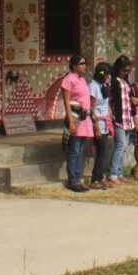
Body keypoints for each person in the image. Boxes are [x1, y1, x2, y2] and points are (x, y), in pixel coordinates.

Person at [61, 54, 93, 192]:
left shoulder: (83, 80)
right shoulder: (68, 80)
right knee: (74, 150)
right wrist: (71, 122)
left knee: (80, 150)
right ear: (74, 65)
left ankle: (78, 178)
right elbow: (67, 102)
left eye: (85, 63)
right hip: (74, 118)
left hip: (84, 119)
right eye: (81, 63)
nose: (84, 66)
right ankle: (72, 180)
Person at [108, 55, 136, 185]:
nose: (126, 73)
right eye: (124, 70)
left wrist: (135, 101)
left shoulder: (126, 81)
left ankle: (119, 172)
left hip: (127, 117)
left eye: (128, 71)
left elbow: (129, 97)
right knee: (120, 145)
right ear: (118, 68)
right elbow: (110, 100)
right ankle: (113, 174)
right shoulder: (113, 81)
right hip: (118, 118)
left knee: (124, 146)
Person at [89, 60, 114, 190]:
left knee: (103, 152)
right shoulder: (93, 86)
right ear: (102, 74)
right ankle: (95, 179)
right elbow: (91, 108)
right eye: (107, 74)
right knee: (101, 151)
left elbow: (105, 103)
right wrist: (96, 127)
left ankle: (100, 177)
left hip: (105, 122)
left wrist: (110, 113)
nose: (109, 77)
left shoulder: (104, 85)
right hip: (98, 123)